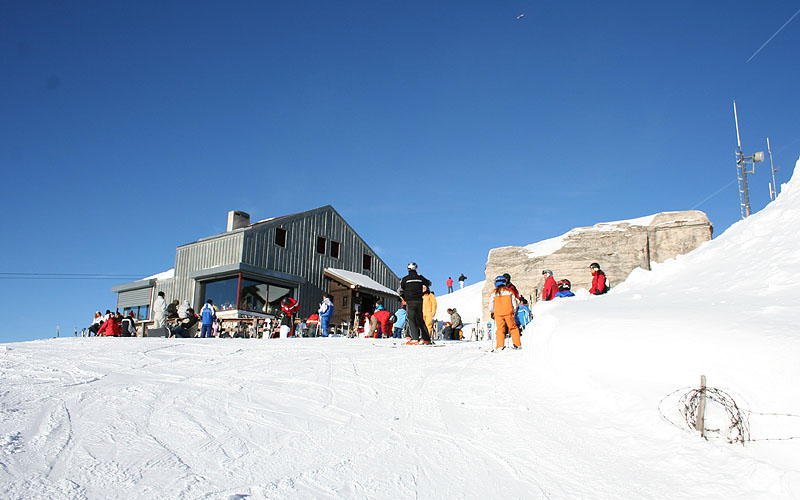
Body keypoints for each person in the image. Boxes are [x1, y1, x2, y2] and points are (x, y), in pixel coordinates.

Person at [398, 262, 433, 345]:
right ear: (416, 269)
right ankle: (426, 339)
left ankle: (415, 338)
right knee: (420, 319)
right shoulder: (420, 278)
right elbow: (429, 283)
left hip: (410, 301)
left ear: (408, 269)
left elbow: (400, 290)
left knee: (411, 319)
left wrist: (403, 297)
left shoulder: (405, 279)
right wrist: (422, 278)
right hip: (419, 300)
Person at [488, 275, 521, 351]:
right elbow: (514, 303)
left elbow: (490, 304)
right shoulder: (509, 291)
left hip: (498, 314)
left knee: (500, 329)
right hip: (508, 312)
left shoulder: (493, 293)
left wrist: (492, 312)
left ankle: (500, 346)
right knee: (513, 328)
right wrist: (514, 310)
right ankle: (517, 344)